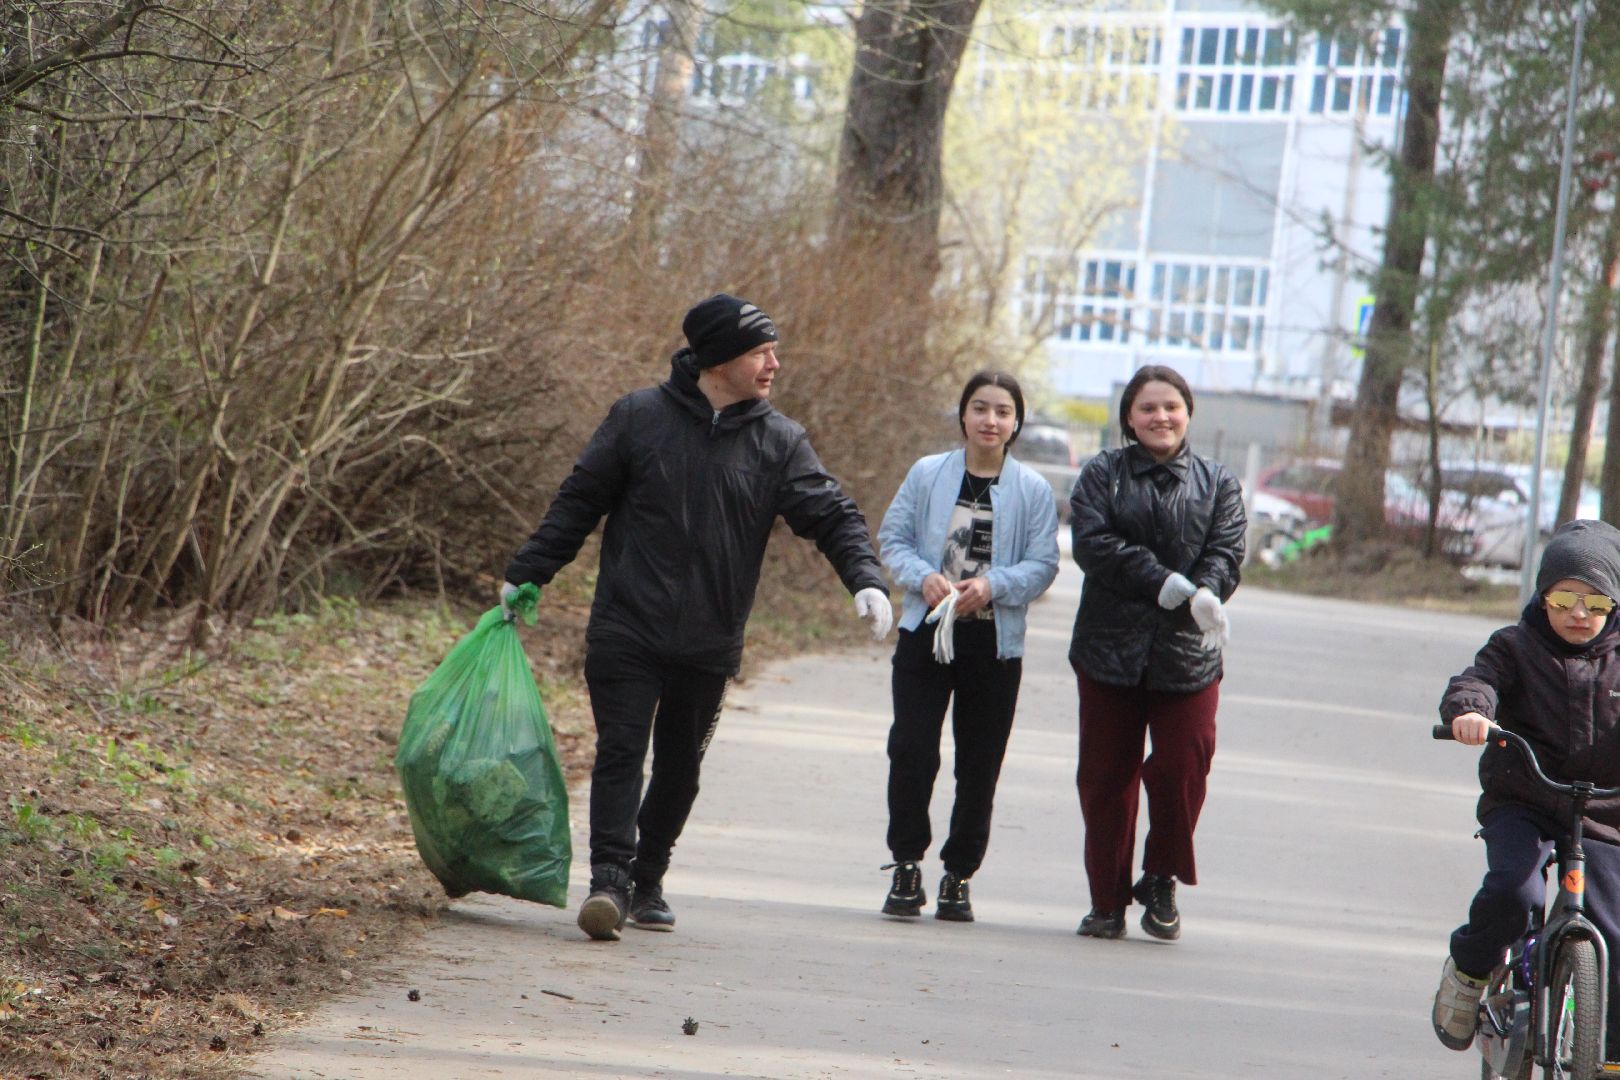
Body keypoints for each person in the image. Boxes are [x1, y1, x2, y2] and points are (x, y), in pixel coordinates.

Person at [501, 293, 894, 942]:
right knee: (621, 751)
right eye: (760, 351)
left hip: (708, 639)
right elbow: (579, 501)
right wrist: (528, 572)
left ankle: (648, 876)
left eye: (773, 349)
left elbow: (831, 516)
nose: (775, 362)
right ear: (718, 359)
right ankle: (609, 881)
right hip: (627, 625)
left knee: (680, 766)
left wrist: (866, 579)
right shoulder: (637, 419)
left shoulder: (780, 442)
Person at [1067, 364, 1245, 942]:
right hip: (1108, 651)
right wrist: (1162, 582)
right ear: (1128, 418)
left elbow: (1227, 549)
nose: (1160, 417)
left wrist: (1210, 592)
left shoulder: (1219, 482)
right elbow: (1093, 543)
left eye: (1171, 406)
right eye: (1148, 408)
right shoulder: (1103, 473)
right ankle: (1107, 900)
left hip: (1188, 656)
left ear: (1188, 412)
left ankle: (1161, 873)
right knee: (1105, 779)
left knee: (1182, 764)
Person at [875, 371, 1060, 923]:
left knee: (979, 764)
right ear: (962, 416)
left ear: (1016, 423)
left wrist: (993, 587)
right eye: (979, 408)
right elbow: (893, 539)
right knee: (911, 750)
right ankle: (907, 864)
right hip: (926, 633)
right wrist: (922, 576)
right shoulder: (929, 474)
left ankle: (959, 876)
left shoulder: (1031, 489)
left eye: (1002, 411)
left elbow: (1043, 563)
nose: (990, 420)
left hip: (994, 646)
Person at [1431, 519, 1620, 1061]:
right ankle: (1469, 969)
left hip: (1604, 813)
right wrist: (1471, 712)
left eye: (1596, 602)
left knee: (1616, 929)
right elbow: (1477, 681)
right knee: (1515, 893)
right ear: (1543, 596)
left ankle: (1605, 1054)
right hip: (1526, 799)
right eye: (1564, 598)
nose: (1578, 614)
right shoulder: (1515, 646)